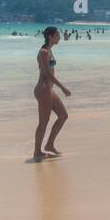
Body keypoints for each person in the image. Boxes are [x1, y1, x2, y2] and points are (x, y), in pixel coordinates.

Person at [33, 26, 71, 160]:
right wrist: (62, 87)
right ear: (50, 36)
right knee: (44, 121)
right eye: (57, 35)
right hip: (43, 89)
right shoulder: (44, 52)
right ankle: (37, 152)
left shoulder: (49, 51)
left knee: (63, 115)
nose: (59, 38)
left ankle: (49, 145)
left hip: (49, 89)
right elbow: (46, 73)